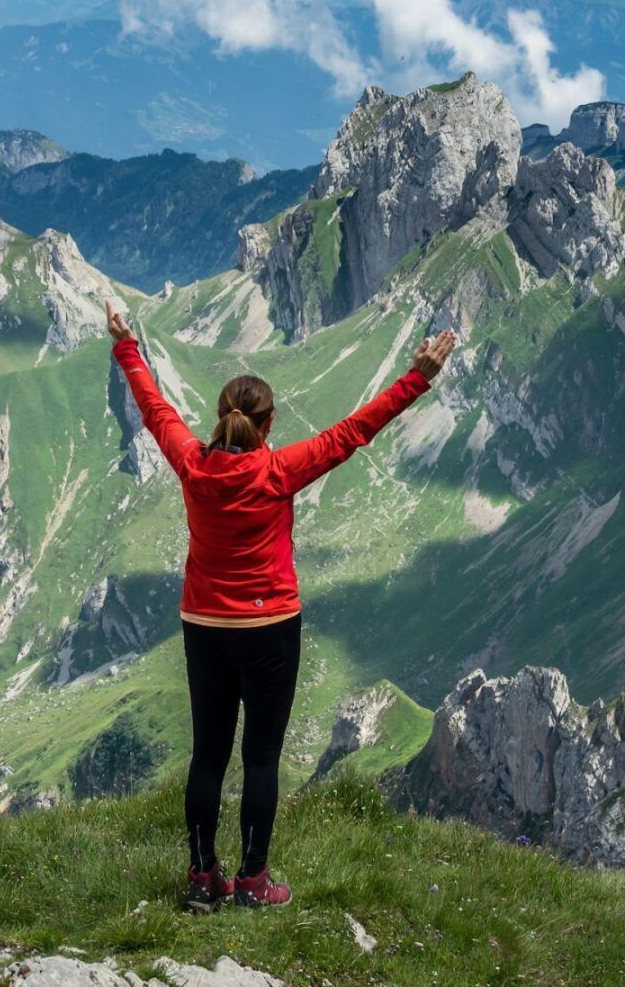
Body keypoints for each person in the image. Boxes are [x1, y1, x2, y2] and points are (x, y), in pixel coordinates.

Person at [106, 300, 456, 912]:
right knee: (261, 757)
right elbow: (354, 432)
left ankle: (199, 879)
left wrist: (125, 344)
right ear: (266, 427)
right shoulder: (279, 470)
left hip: (203, 626)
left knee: (208, 754)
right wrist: (418, 376)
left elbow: (154, 408)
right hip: (270, 628)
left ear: (221, 419)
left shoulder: (192, 464)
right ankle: (251, 882)